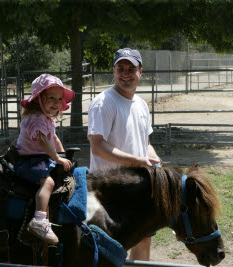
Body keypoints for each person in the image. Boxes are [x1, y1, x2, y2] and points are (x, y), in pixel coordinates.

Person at [87, 48, 161, 260]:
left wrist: (154, 161)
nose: (126, 73)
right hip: (108, 191)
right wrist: (138, 161)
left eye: (131, 68)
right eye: (121, 68)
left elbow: (145, 142)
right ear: (113, 71)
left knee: (143, 238)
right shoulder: (104, 103)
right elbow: (98, 146)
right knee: (110, 249)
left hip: (136, 187)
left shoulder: (141, 104)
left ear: (140, 71)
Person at [14, 73, 75, 244]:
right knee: (47, 182)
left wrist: (63, 155)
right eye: (51, 98)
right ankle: (39, 219)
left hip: (40, 157)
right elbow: (42, 139)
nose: (56, 103)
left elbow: (53, 138)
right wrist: (57, 158)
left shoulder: (47, 119)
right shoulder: (37, 118)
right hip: (28, 160)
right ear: (39, 99)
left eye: (59, 98)